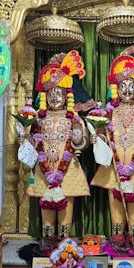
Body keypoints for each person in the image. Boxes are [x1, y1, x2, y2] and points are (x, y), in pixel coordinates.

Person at [90, 45, 134, 256]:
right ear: (116, 89)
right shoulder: (108, 111)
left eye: (132, 86)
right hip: (114, 166)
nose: (128, 91)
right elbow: (104, 135)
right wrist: (98, 137)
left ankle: (133, 241)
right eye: (124, 86)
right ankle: (117, 239)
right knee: (115, 206)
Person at [25, 50, 95, 241]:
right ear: (45, 97)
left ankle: (64, 241)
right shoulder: (38, 119)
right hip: (44, 167)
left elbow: (82, 145)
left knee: (66, 205)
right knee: (46, 206)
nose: (55, 98)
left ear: (67, 97)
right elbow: (31, 143)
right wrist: (25, 136)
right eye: (51, 94)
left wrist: (80, 138)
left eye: (59, 94)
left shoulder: (74, 118)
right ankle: (48, 241)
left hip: (67, 169)